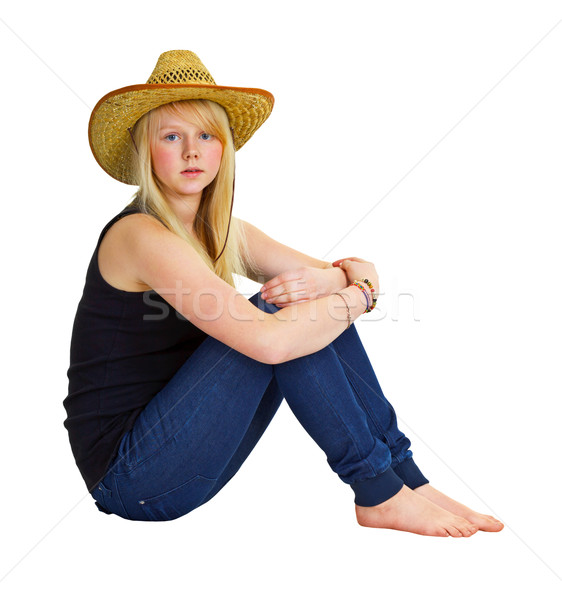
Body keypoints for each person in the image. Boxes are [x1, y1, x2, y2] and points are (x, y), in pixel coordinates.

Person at [63, 50, 503, 536]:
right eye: (172, 136)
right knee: (282, 318)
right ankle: (376, 488)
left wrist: (343, 281)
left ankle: (404, 479)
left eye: (206, 135)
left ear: (224, 149)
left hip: (188, 458)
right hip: (130, 475)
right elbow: (276, 339)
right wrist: (356, 294)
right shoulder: (140, 235)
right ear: (147, 151)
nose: (192, 151)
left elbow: (345, 272)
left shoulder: (222, 229)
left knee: (301, 307)